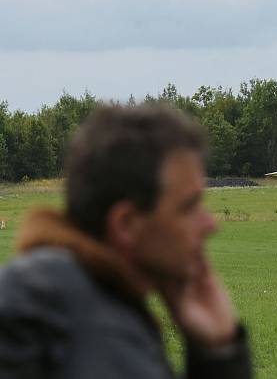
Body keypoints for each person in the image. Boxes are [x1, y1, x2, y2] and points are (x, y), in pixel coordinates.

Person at [0, 106, 251, 378]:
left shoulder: (80, 305)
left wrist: (218, 352)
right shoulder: (86, 332)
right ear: (126, 224)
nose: (210, 225)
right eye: (188, 208)